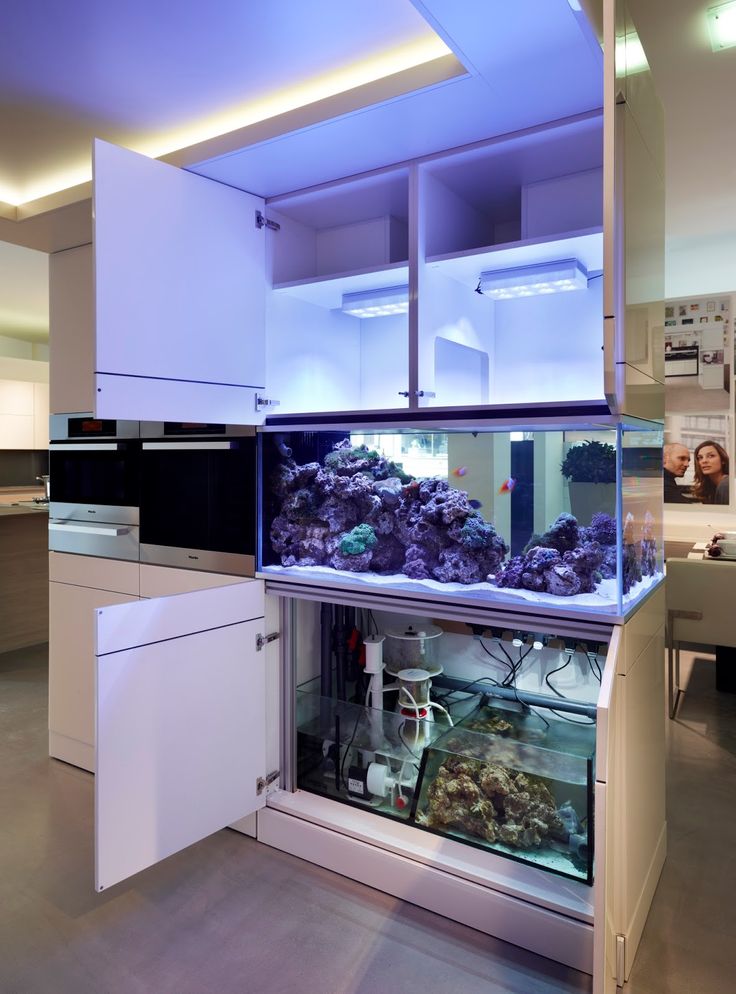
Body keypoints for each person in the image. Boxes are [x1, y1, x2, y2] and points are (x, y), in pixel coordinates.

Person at [692, 439, 730, 505]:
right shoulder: (710, 486)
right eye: (700, 458)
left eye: (711, 456)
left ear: (723, 460)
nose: (704, 461)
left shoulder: (726, 485)